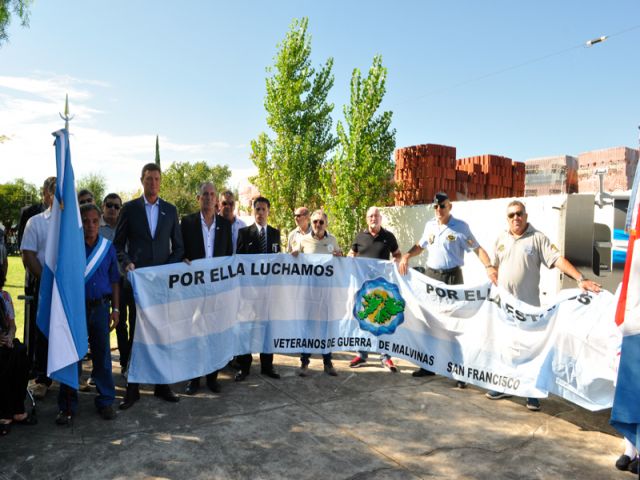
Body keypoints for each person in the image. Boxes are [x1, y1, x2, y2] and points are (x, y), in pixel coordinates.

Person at [484, 200, 601, 411]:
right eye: (511, 215)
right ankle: (505, 386)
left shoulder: (537, 239)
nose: (515, 218)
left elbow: (557, 260)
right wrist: (490, 269)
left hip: (527, 308)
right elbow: (495, 266)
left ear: (526, 216)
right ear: (507, 219)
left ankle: (531, 393)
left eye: (519, 214)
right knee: (505, 347)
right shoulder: (501, 239)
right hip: (505, 308)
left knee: (529, 349)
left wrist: (579, 278)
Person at [398, 192, 497, 385]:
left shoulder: (461, 227)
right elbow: (420, 245)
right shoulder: (430, 226)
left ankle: (459, 371)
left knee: (454, 324)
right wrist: (407, 256)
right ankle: (428, 365)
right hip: (432, 278)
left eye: (442, 206)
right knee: (430, 322)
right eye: (435, 206)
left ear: (449, 206)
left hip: (452, 278)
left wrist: (489, 266)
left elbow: (477, 248)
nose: (438, 210)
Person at [114, 163, 185, 410]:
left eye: (156, 179)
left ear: (160, 181)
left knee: (162, 334)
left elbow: (178, 247)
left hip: (162, 287)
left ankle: (161, 385)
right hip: (138, 285)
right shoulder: (130, 209)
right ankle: (132, 390)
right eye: (148, 179)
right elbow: (117, 246)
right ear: (141, 180)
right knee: (136, 335)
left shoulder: (170, 210)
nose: (153, 183)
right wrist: (128, 263)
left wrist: (167, 268)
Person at [56, 204, 120, 425]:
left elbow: (114, 281)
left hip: (101, 308)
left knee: (102, 355)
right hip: (77, 309)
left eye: (94, 221)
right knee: (72, 356)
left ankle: (106, 400)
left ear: (99, 222)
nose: (91, 225)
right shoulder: (72, 248)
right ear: (80, 223)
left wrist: (116, 309)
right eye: (86, 221)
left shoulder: (107, 248)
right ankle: (67, 406)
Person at [181, 182, 233, 395]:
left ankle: (212, 377)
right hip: (194, 289)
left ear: (216, 199)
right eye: (205, 194)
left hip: (217, 290)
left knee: (214, 334)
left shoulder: (225, 225)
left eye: (212, 194)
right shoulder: (187, 223)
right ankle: (194, 379)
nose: (209, 198)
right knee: (195, 335)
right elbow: (180, 251)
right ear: (198, 198)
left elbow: (229, 255)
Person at [348, 206, 402, 372]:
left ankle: (386, 357)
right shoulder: (360, 237)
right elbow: (351, 254)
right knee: (363, 319)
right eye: (371, 216)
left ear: (380, 218)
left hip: (382, 287)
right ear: (367, 219)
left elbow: (398, 255)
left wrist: (397, 261)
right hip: (363, 287)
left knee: (382, 320)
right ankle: (362, 354)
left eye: (376, 216)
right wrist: (350, 258)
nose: (373, 218)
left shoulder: (389, 237)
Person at [235, 196, 281, 381]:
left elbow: (279, 261)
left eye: (263, 209)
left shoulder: (275, 233)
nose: (260, 213)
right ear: (253, 211)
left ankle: (267, 366)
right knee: (247, 328)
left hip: (268, 292)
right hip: (249, 293)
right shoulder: (244, 233)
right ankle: (244, 367)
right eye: (257, 209)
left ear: (268, 211)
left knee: (267, 329)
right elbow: (239, 261)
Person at [292, 210, 341, 376]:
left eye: (321, 222)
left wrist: (340, 256)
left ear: (326, 224)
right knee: (308, 327)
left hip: (327, 293)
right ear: (311, 223)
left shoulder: (332, 240)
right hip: (309, 293)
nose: (318, 225)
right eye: (315, 222)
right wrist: (294, 255)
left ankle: (327, 362)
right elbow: (293, 259)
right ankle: (304, 363)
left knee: (326, 328)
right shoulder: (303, 240)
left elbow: (340, 262)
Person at [20, 176, 56, 399]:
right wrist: (45, 281)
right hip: (43, 285)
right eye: (52, 192)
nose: (56, 196)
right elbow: (28, 255)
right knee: (42, 332)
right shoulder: (36, 222)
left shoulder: (74, 223)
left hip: (67, 288)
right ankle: (42, 378)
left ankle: (68, 377)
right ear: (45, 194)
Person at [0, 269, 36, 436]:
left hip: (4, 342)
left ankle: (17, 410)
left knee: (20, 354)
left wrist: (10, 335)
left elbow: (12, 325)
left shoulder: (5, 296)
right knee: (5, 362)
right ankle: (5, 413)